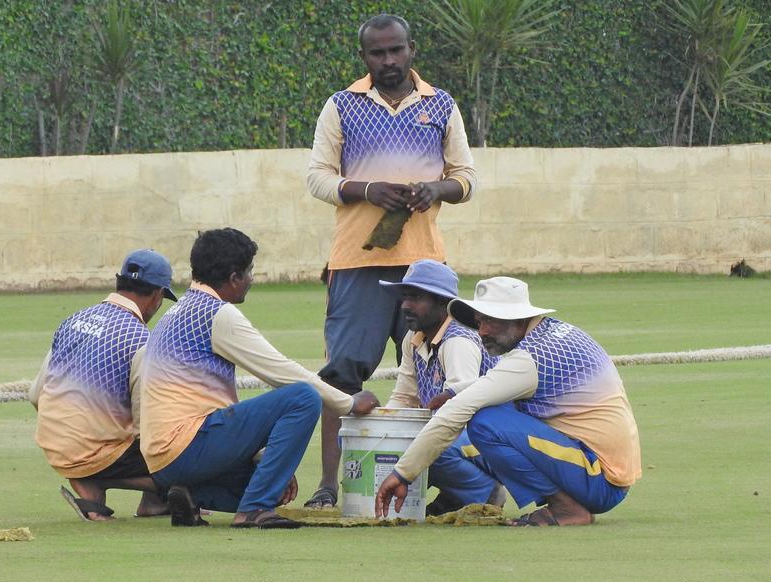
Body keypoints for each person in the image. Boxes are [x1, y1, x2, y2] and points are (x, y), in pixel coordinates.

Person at [304, 13, 477, 508]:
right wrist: (364, 190)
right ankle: (327, 487)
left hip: (424, 268)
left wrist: (434, 189)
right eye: (377, 53)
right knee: (340, 375)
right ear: (364, 58)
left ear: (411, 50)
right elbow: (317, 178)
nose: (388, 61)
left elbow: (465, 177)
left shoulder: (440, 105)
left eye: (395, 50)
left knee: (437, 376)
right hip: (356, 263)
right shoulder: (341, 106)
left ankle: (453, 485)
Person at [140, 228, 379, 529]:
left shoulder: (177, 311)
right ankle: (253, 509)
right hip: (188, 447)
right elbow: (282, 371)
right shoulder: (217, 313)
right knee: (303, 396)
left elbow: (219, 409)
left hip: (161, 463)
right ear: (233, 278)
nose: (252, 280)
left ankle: (191, 494)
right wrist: (348, 403)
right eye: (249, 272)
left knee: (273, 483)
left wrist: (266, 459)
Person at [375, 277, 642, 526]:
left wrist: (402, 474)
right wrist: (458, 391)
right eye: (480, 321)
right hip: (601, 471)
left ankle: (566, 509)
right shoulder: (553, 334)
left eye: (492, 321)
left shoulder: (528, 360)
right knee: (487, 414)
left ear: (518, 319)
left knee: (484, 423)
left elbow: (456, 412)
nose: (482, 331)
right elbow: (494, 385)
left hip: (600, 480)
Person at [29, 249, 177, 521]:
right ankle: (102, 479)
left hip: (54, 444)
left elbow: (35, 395)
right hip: (98, 451)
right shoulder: (142, 339)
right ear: (157, 295)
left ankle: (91, 485)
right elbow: (149, 425)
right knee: (189, 466)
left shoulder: (72, 320)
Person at [378, 259, 505, 516]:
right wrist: (380, 429)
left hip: (490, 437)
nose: (405, 306)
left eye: (415, 298)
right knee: (386, 439)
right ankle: (454, 494)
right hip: (459, 434)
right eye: (404, 297)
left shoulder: (458, 340)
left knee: (433, 447)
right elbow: (404, 397)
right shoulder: (413, 339)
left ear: (441, 303)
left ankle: (485, 492)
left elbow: (461, 409)